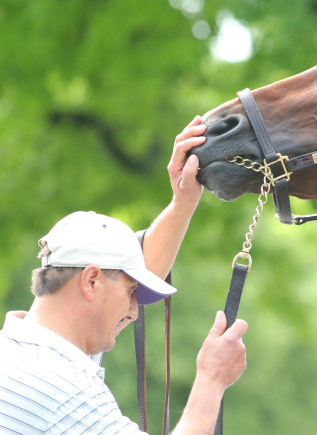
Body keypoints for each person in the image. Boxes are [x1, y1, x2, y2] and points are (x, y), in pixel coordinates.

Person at [0, 117, 247, 434]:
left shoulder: (20, 353)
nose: (134, 312)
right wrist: (212, 380)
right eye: (132, 292)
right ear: (91, 282)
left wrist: (183, 201)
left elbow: (130, 272)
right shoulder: (65, 391)